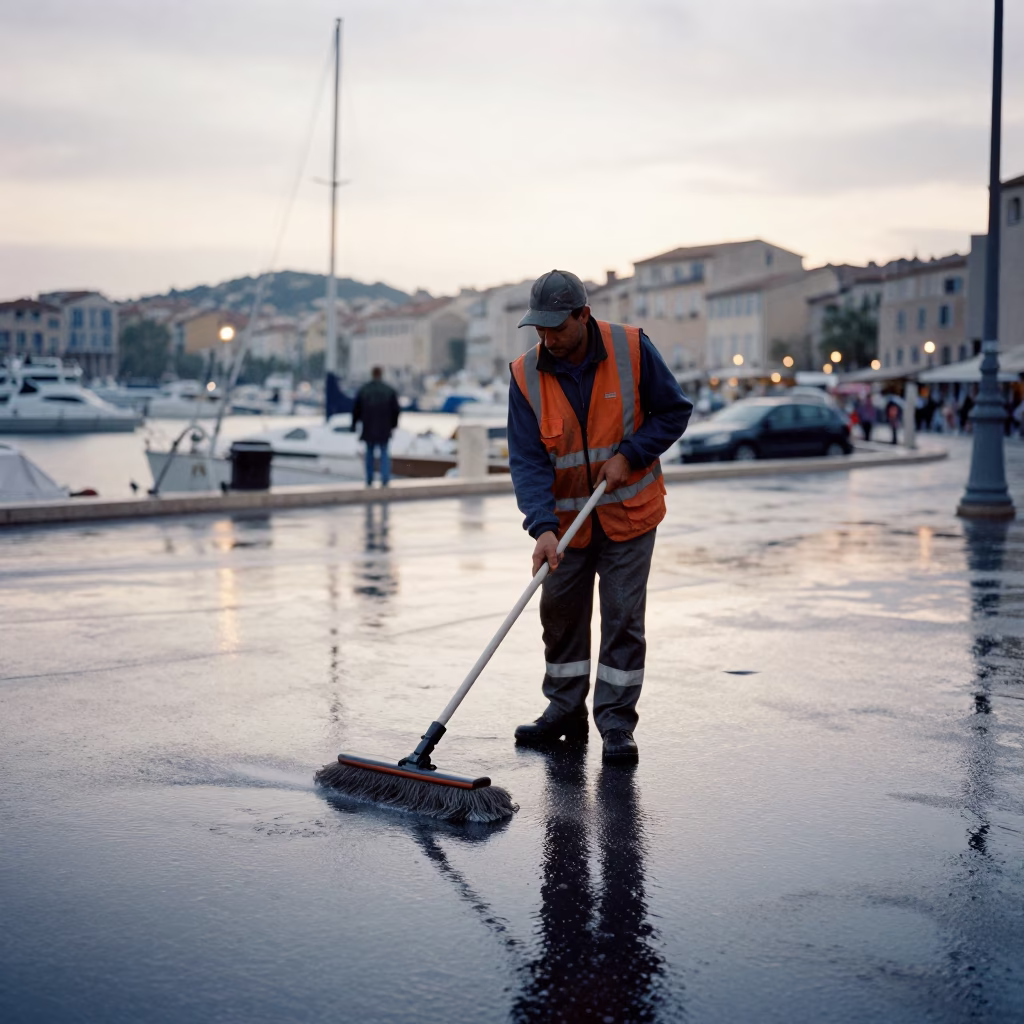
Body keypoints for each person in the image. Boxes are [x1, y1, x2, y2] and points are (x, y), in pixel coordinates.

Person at [507, 269, 692, 763]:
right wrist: (542, 529)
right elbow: (526, 461)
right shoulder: (525, 375)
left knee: (622, 619)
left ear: (583, 315)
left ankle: (615, 723)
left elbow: (674, 411)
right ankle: (564, 712)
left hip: (630, 514)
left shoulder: (631, 349)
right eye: (539, 329)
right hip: (566, 524)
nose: (547, 338)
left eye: (556, 328)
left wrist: (631, 454)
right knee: (560, 616)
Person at [352, 366, 400, 487]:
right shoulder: (389, 390)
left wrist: (354, 425)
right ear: (381, 374)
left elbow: (356, 410)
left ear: (372, 374)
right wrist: (393, 425)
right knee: (384, 453)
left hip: (368, 426)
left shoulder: (364, 390)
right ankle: (385, 479)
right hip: (384, 427)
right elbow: (396, 410)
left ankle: (369, 479)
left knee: (369, 453)